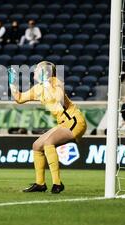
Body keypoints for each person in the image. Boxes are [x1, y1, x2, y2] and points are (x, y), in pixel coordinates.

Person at [8, 61, 87, 193]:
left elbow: (59, 99)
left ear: (45, 72)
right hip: (63, 123)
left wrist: (46, 83)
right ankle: (40, 184)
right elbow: (19, 98)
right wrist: (12, 83)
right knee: (37, 146)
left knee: (48, 142)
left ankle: (57, 183)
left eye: (38, 69)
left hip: (75, 121)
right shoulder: (38, 88)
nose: (34, 71)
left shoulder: (55, 82)